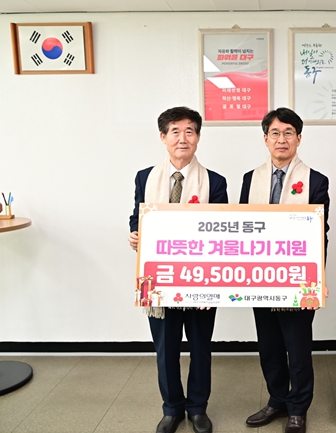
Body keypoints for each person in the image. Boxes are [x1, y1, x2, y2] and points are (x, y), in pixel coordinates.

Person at [129, 106, 228, 433]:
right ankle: (171, 408)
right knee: (166, 349)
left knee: (200, 347)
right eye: (175, 131)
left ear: (198, 137)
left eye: (189, 131)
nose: (182, 138)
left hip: (201, 280)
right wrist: (135, 233)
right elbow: (137, 216)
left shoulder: (215, 181)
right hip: (159, 280)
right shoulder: (145, 178)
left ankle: (197, 408)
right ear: (163, 137)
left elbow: (223, 231)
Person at [239, 107, 330, 433]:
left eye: (288, 133)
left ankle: (298, 408)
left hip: (297, 279)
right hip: (260, 278)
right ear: (265, 139)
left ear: (299, 138)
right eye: (275, 133)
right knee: (269, 346)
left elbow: (320, 232)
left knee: (298, 347)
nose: (281, 139)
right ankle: (277, 400)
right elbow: (241, 228)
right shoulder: (250, 179)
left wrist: (318, 277)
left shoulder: (316, 181)